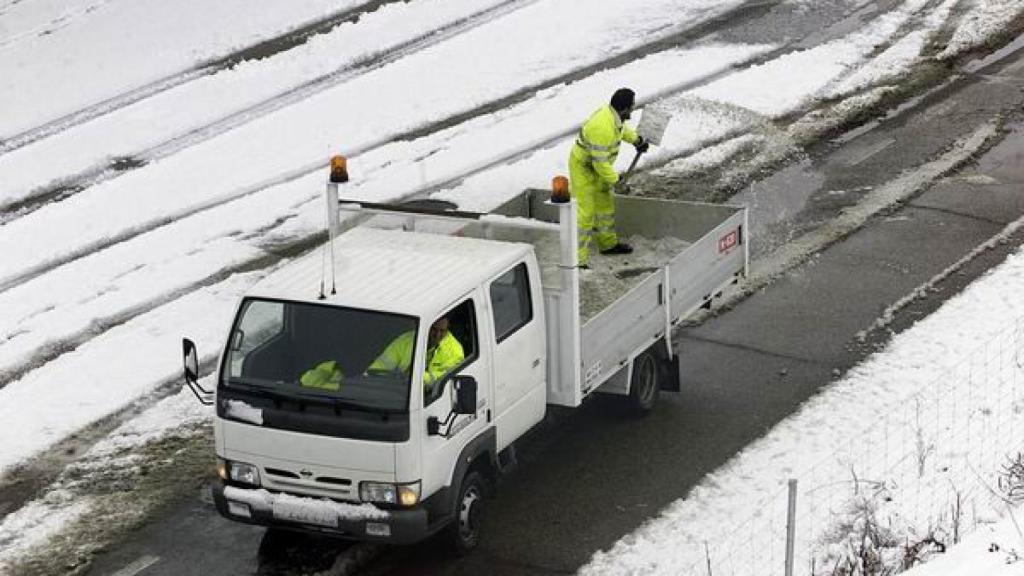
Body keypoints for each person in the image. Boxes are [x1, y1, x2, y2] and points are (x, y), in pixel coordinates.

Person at [568, 87, 651, 268]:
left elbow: (622, 131)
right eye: (632, 106)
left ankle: (608, 244)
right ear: (624, 109)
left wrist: (638, 140)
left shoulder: (613, 116)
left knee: (605, 207)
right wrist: (617, 180)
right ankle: (577, 260)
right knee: (585, 214)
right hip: (584, 168)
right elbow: (600, 164)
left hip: (598, 167)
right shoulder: (602, 126)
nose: (633, 109)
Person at [368, 317, 464, 393]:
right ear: (427, 327)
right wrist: (368, 380)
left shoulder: (455, 351)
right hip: (399, 392)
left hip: (430, 396)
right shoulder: (406, 340)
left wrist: (413, 377)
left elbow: (444, 380)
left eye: (442, 331)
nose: (437, 335)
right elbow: (381, 366)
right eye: (434, 329)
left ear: (448, 330)